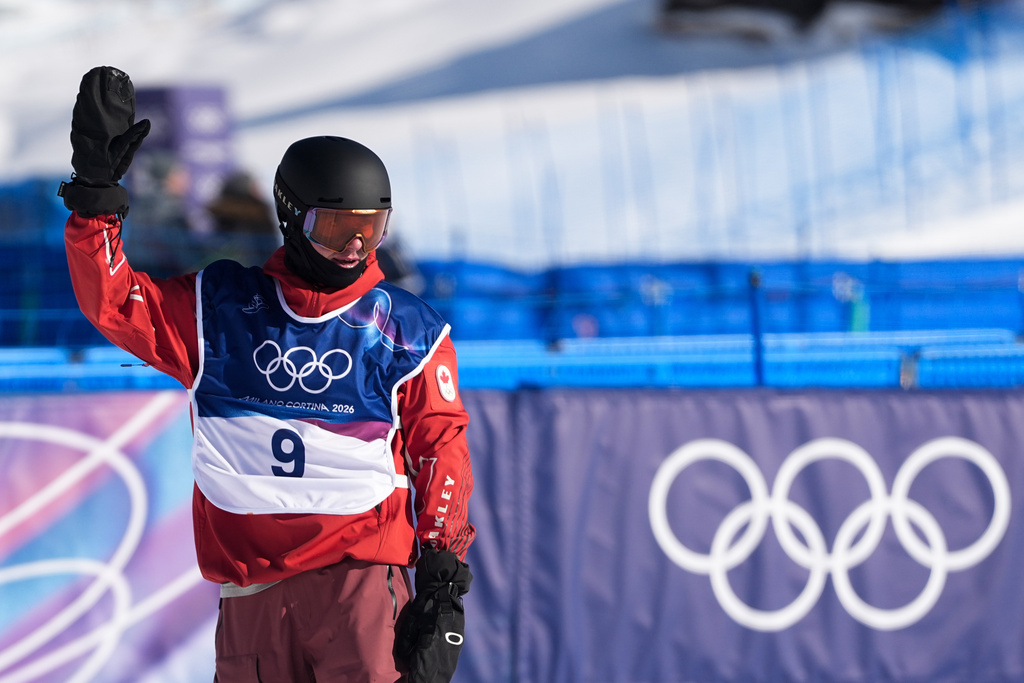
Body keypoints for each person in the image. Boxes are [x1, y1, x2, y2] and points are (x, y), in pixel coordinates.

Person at [58, 66, 475, 683]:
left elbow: (439, 448)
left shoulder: (406, 330)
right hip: (250, 591)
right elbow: (116, 303)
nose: (356, 249)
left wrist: (443, 579)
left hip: (356, 583)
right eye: (337, 231)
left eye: (370, 229)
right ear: (293, 218)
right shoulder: (219, 308)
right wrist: (96, 200)